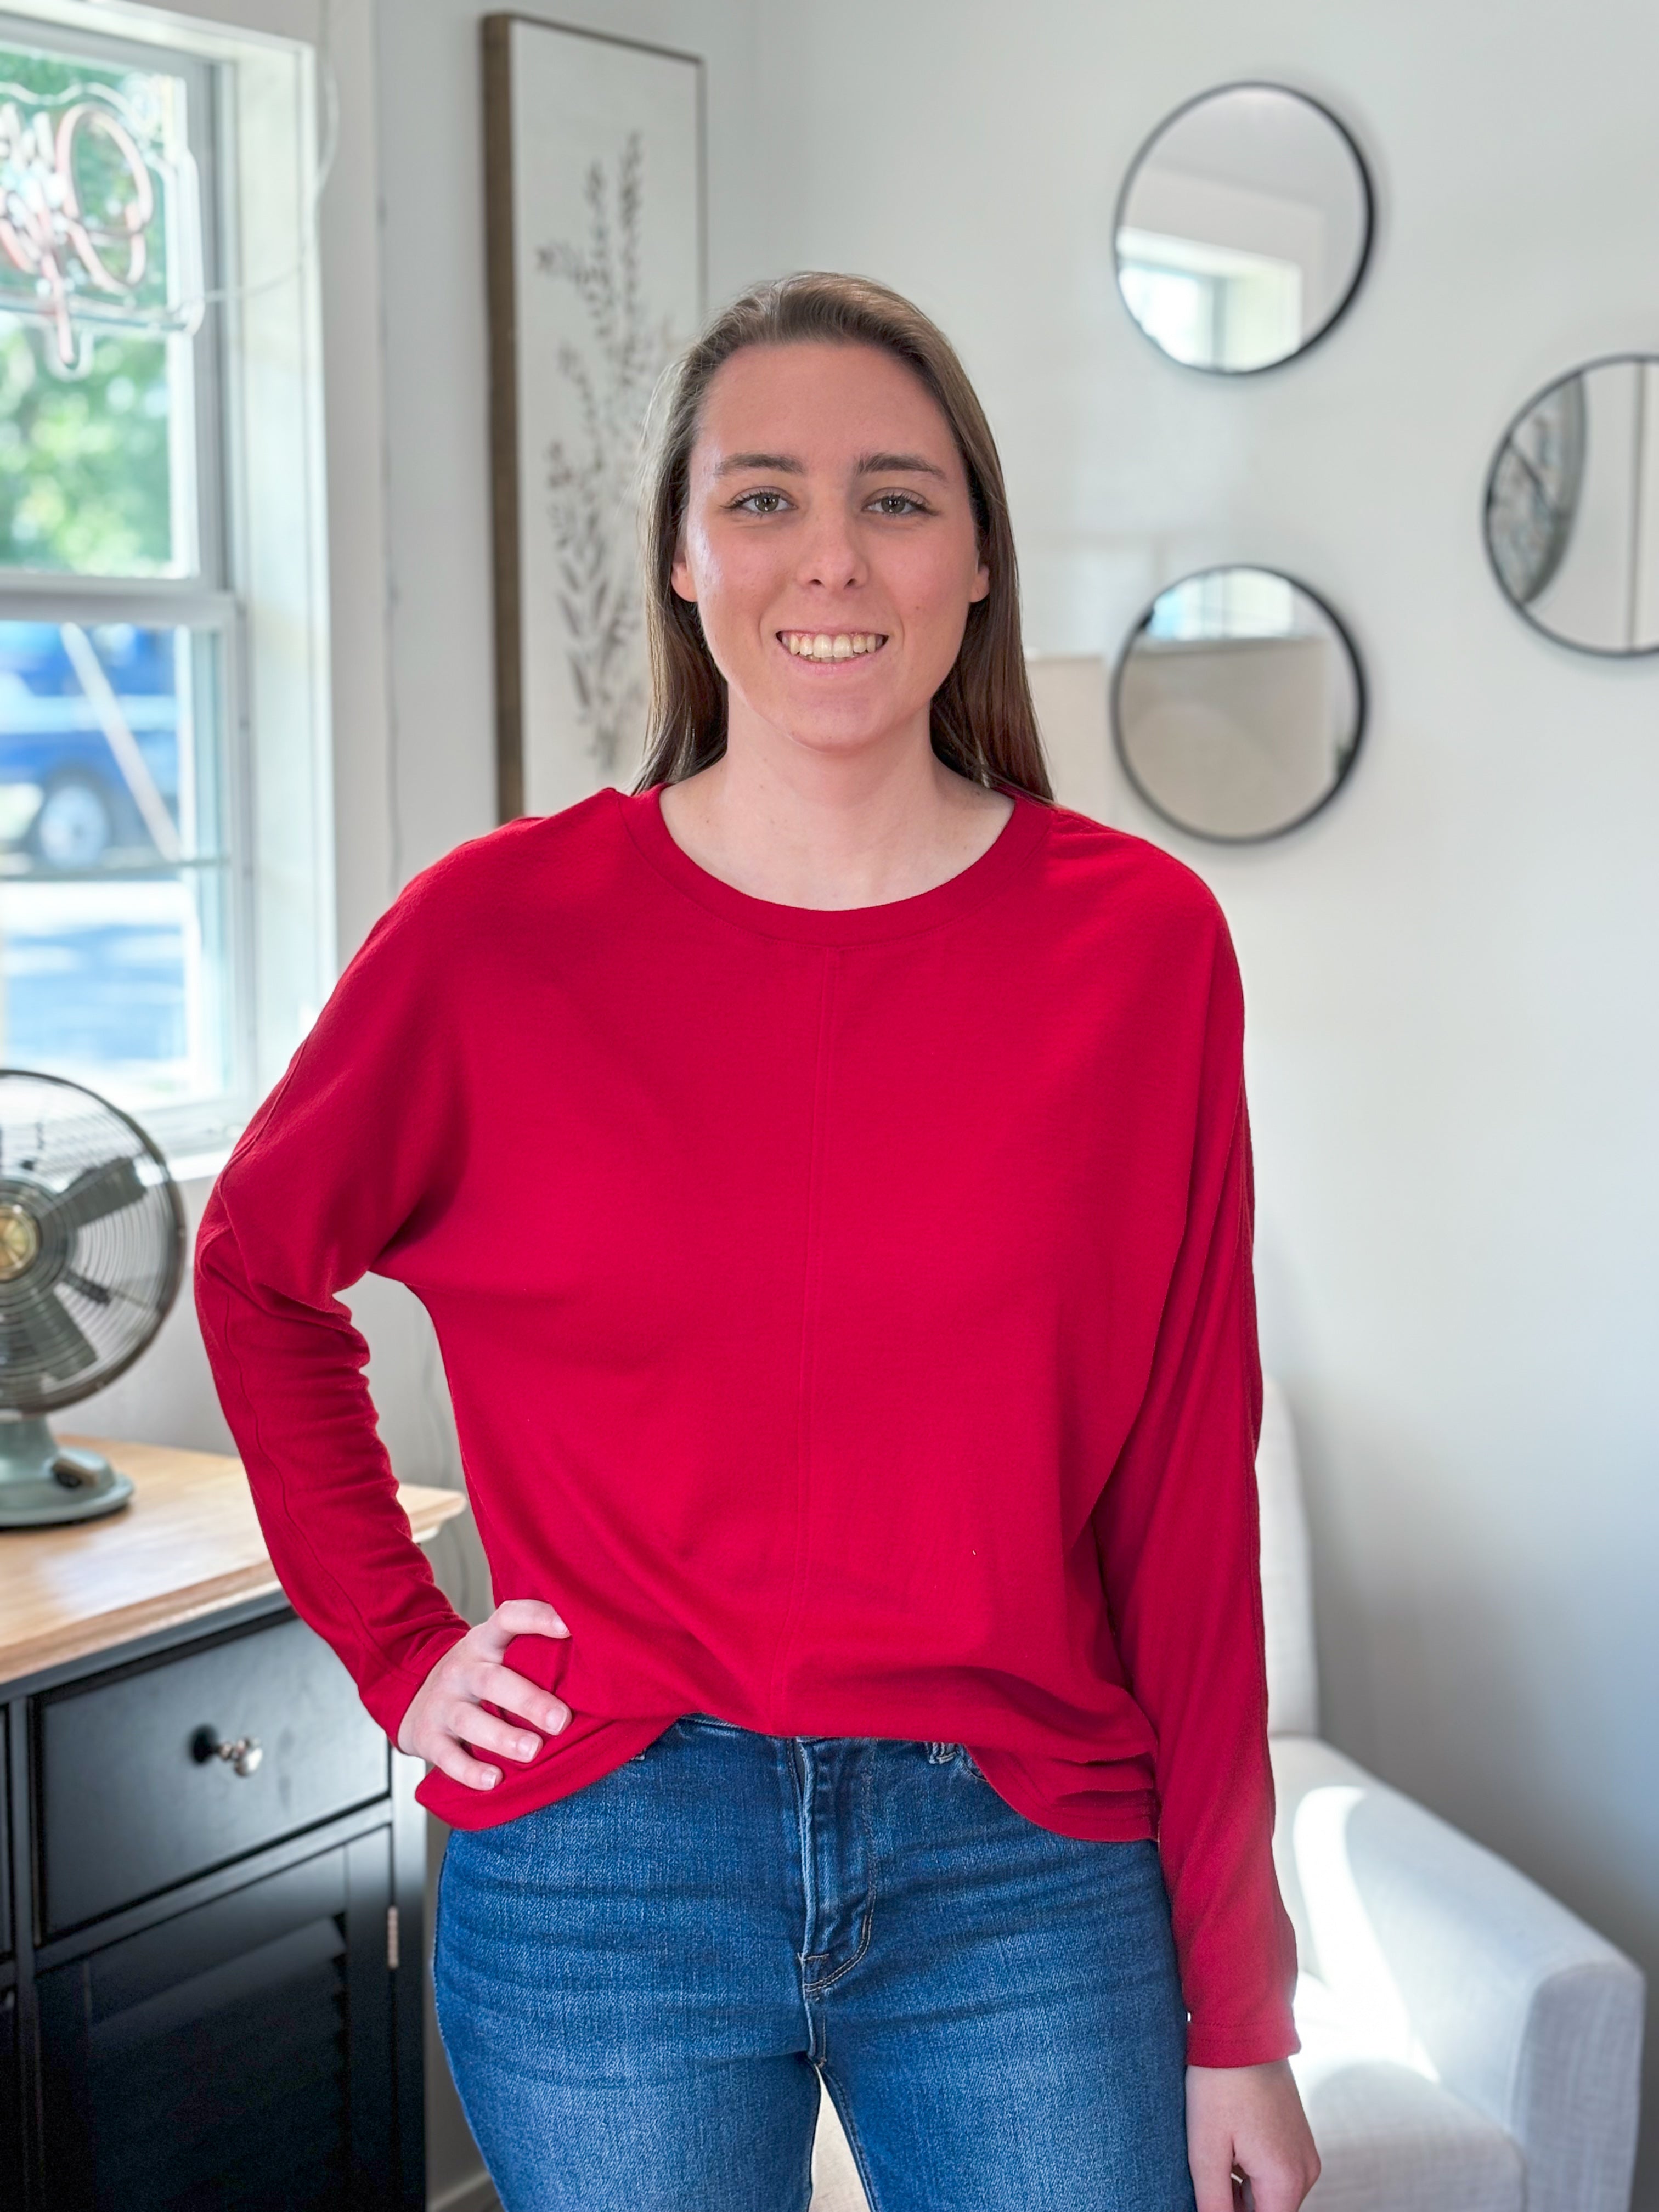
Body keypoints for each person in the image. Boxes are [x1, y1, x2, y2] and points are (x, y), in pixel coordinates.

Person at [195, 270, 1321, 2212]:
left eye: (897, 497)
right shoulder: (493, 938)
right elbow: (258, 1269)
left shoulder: (1135, 951)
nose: (834, 558)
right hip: (609, 1854)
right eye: (765, 497)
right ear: (689, 561)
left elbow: (1183, 1511)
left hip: (1027, 1863)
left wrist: (1243, 2009)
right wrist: (401, 1647)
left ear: (977, 559)